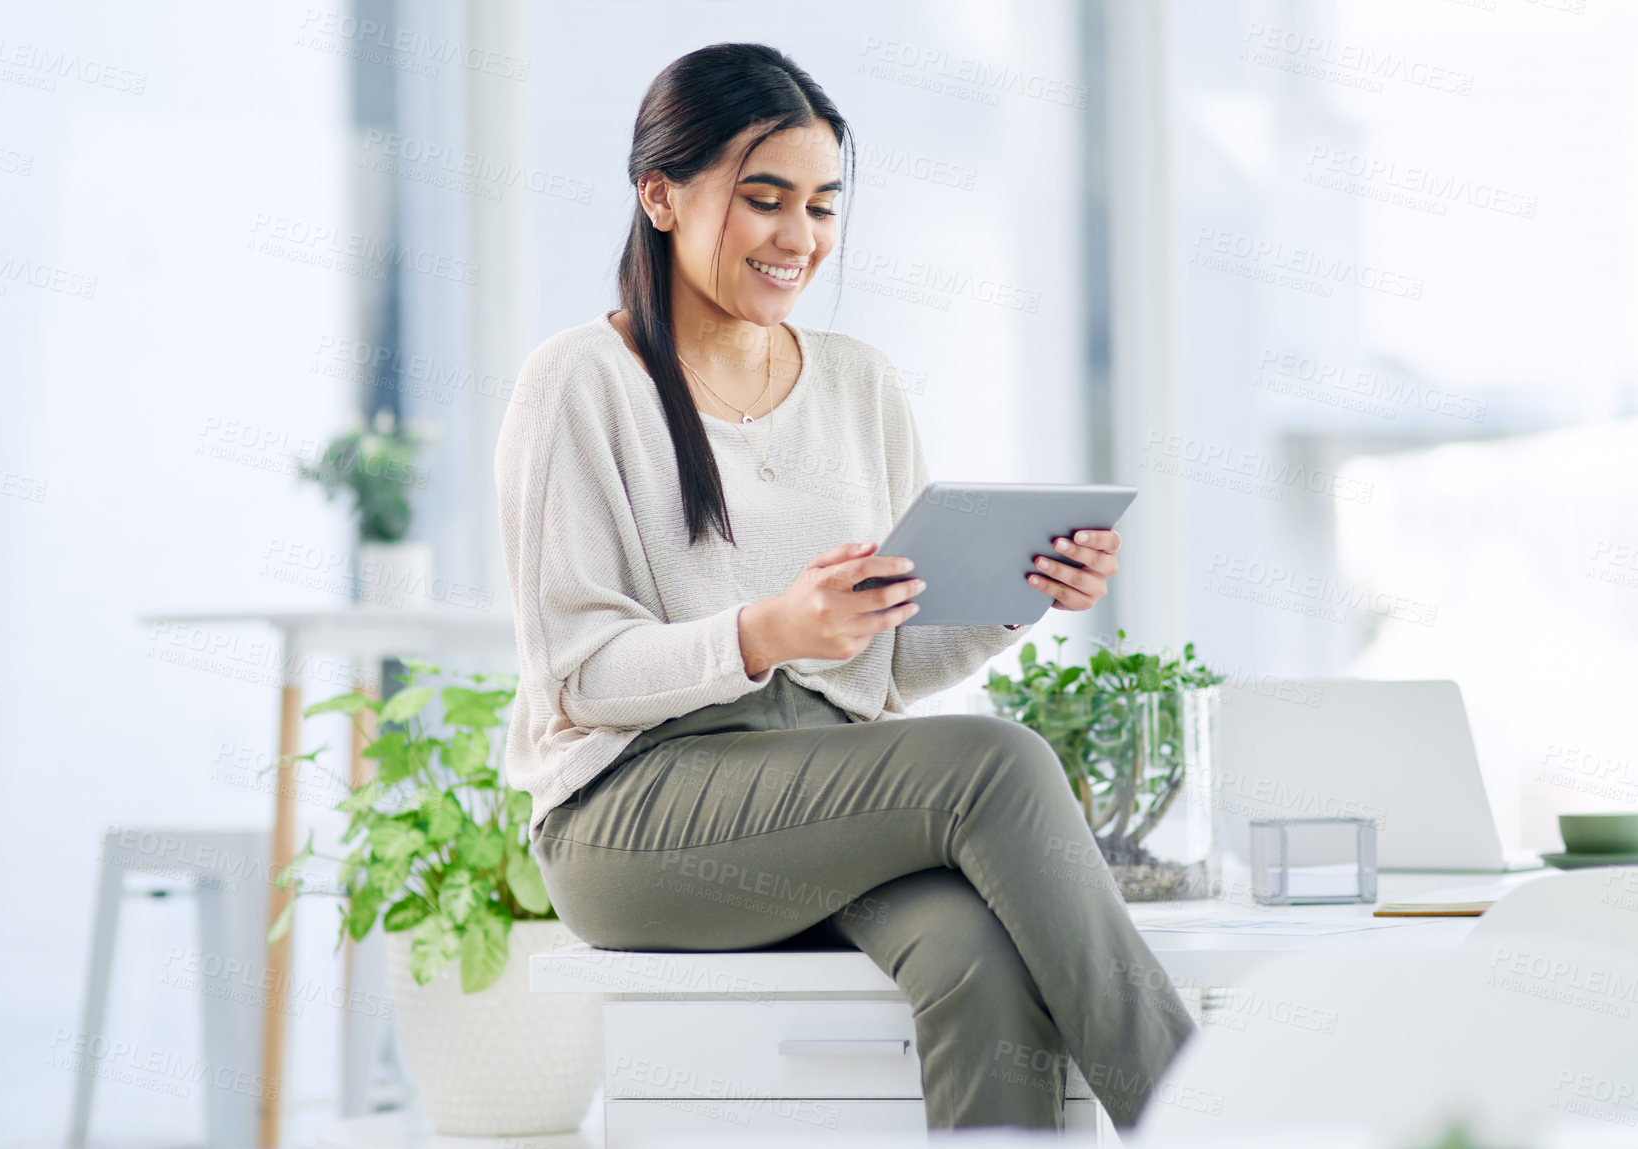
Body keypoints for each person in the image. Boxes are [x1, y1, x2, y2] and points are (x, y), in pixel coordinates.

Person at [493, 41, 1195, 1133]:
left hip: (818, 794)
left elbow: (892, 661)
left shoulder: (859, 381)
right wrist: (766, 631)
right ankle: (1207, 1120)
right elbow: (577, 676)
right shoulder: (580, 382)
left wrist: (1020, 594)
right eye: (764, 199)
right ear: (661, 196)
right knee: (995, 759)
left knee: (977, 958)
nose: (799, 238)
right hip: (629, 811)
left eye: (823, 206)